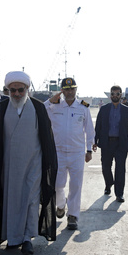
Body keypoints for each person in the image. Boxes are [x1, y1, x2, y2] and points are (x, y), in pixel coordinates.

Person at [0, 71, 58, 255]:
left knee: (31, 200)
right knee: (11, 201)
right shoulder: (1, 108)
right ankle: (14, 237)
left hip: (33, 163)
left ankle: (27, 238)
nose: (17, 94)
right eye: (13, 90)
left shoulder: (38, 108)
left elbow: (47, 139)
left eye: (20, 90)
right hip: (9, 167)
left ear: (27, 89)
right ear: (7, 90)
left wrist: (48, 164)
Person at [45, 77, 95, 230]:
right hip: (58, 152)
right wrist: (50, 100)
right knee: (58, 185)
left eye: (72, 88)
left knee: (76, 185)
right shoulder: (54, 106)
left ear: (76, 89)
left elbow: (89, 130)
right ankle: (61, 205)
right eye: (66, 89)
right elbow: (40, 111)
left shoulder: (83, 107)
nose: (69, 92)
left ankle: (72, 215)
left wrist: (88, 150)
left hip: (77, 153)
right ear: (62, 91)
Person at [93, 85, 128, 203]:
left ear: (121, 95)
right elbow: (98, 126)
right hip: (107, 143)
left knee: (120, 169)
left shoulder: (127, 110)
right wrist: (94, 141)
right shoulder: (104, 109)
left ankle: (119, 194)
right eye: (113, 94)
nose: (115, 96)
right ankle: (108, 184)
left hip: (121, 144)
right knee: (106, 167)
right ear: (110, 95)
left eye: (117, 94)